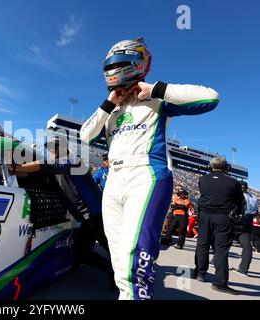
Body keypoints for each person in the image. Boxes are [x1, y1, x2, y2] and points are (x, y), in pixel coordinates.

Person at [80, 37, 219, 300]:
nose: (113, 70)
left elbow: (211, 97)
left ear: (138, 63)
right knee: (119, 259)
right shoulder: (111, 109)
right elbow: (85, 137)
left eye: (119, 64)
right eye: (110, 66)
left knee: (135, 257)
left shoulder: (155, 97)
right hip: (114, 182)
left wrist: (156, 89)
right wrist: (109, 103)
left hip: (146, 175)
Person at [9, 136, 116, 290]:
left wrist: (15, 168)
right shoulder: (56, 166)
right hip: (85, 216)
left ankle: (117, 273)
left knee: (101, 249)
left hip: (95, 215)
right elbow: (37, 173)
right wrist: (12, 170)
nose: (51, 149)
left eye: (55, 146)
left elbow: (45, 166)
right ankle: (108, 268)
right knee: (92, 248)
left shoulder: (72, 160)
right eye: (49, 147)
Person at [194, 156, 244, 295]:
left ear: (210, 167)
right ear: (226, 167)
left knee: (202, 244)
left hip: (204, 215)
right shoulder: (233, 182)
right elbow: (240, 203)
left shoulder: (202, 179)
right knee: (221, 249)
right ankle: (220, 283)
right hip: (223, 218)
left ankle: (200, 273)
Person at [231, 181, 258, 276]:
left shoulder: (238, 195)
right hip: (248, 222)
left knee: (223, 241)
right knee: (247, 245)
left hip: (237, 221)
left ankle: (215, 260)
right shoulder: (253, 197)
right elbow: (256, 212)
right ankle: (243, 269)